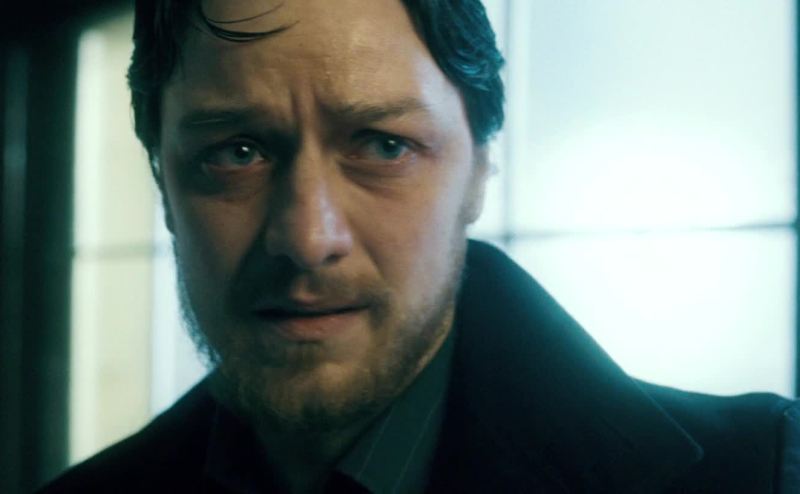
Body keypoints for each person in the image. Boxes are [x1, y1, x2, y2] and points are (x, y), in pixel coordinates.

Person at [42, 0, 799, 492]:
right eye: (236, 153)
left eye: (383, 145)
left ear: (479, 171)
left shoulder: (761, 474)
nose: (307, 239)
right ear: (162, 177)